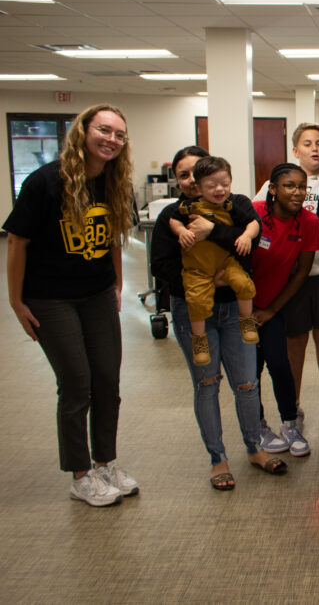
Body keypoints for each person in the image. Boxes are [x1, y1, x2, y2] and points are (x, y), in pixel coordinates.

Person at [5, 103, 139, 506]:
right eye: (104, 130)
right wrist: (15, 301)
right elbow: (17, 242)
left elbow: (115, 235)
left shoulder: (113, 181)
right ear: (82, 131)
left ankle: (104, 464)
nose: (111, 139)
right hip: (50, 297)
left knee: (107, 381)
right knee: (77, 383)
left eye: (119, 134)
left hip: (96, 293)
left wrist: (116, 283)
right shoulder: (46, 182)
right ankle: (80, 475)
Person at [152, 146, 287, 490]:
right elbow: (161, 266)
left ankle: (254, 448)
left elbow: (252, 246)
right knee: (207, 384)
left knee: (247, 383)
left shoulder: (236, 204)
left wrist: (212, 230)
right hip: (194, 307)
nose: (194, 182)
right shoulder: (174, 213)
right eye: (184, 174)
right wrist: (204, 281)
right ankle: (218, 458)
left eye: (199, 173)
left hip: (233, 308)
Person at [255, 122, 319, 431]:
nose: (315, 149)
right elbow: (259, 222)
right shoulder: (274, 184)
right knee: (294, 345)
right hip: (292, 280)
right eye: (307, 144)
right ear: (295, 151)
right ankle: (293, 407)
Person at [251, 163, 319, 457]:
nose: (297, 192)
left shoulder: (308, 222)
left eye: (302, 187)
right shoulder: (253, 213)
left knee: (281, 366)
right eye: (289, 186)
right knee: (250, 373)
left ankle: (290, 424)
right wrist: (248, 311)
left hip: (273, 306)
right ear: (273, 189)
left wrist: (270, 310)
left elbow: (302, 272)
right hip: (240, 308)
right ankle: (257, 426)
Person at [169, 156, 260, 366]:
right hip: (197, 269)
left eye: (225, 184)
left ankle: (246, 321)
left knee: (245, 285)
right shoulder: (188, 207)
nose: (219, 189)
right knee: (197, 301)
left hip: (226, 264)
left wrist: (246, 236)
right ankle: (199, 340)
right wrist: (181, 230)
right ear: (199, 187)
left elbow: (253, 223)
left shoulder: (231, 206)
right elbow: (173, 219)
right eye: (211, 186)